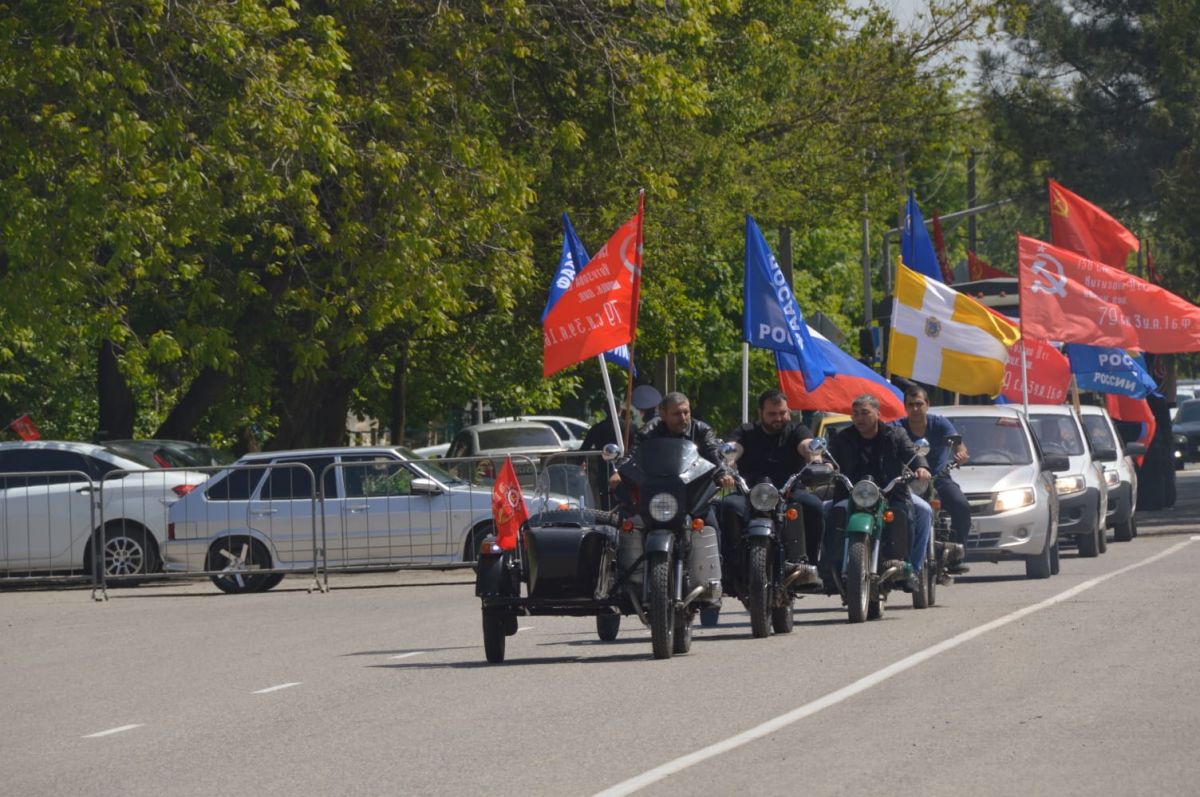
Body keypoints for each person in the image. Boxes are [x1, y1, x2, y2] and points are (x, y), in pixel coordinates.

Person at [820, 393, 931, 592]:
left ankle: (910, 569)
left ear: (878, 414)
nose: (860, 418)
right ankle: (827, 569)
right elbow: (829, 456)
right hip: (850, 494)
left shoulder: (896, 434)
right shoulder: (842, 437)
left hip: (890, 493)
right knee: (827, 513)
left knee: (915, 514)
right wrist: (826, 465)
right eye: (855, 414)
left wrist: (922, 467)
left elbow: (909, 453)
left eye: (865, 413)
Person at [719, 389, 824, 587]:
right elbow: (734, 447)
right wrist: (729, 461)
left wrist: (814, 456)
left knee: (814, 506)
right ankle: (731, 568)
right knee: (728, 506)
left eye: (783, 413)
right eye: (772, 414)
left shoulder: (796, 430)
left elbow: (807, 444)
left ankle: (809, 565)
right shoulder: (747, 431)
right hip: (751, 495)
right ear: (761, 413)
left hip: (788, 492)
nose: (778, 418)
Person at [892, 385, 971, 575]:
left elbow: (960, 448)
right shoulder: (896, 427)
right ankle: (894, 556)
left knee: (961, 505)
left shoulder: (940, 424)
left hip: (938, 479)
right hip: (908, 481)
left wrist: (961, 456)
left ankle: (957, 553)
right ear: (905, 407)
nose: (915, 409)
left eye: (919, 404)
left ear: (927, 405)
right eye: (910, 405)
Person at [610, 391, 734, 506]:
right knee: (630, 521)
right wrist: (619, 472)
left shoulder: (701, 430)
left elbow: (712, 453)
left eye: (686, 412)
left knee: (712, 525)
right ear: (663, 415)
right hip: (658, 489)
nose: (683, 418)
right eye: (677, 414)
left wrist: (722, 473)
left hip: (693, 490)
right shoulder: (650, 431)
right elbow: (634, 453)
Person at [581, 385, 662, 509]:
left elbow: (584, 450)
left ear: (604, 410)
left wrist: (579, 464)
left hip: (607, 471)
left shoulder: (597, 428)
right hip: (628, 471)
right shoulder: (632, 427)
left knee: (606, 502)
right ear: (619, 409)